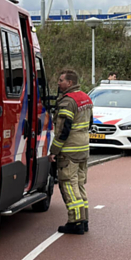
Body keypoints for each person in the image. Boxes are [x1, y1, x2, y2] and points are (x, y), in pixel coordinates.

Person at [49, 68, 93, 235]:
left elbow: (62, 130)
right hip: (83, 147)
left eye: (61, 80)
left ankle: (75, 222)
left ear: (70, 83)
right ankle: (84, 219)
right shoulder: (86, 98)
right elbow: (89, 123)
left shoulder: (67, 102)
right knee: (80, 184)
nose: (58, 83)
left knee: (68, 183)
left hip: (70, 149)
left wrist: (54, 150)